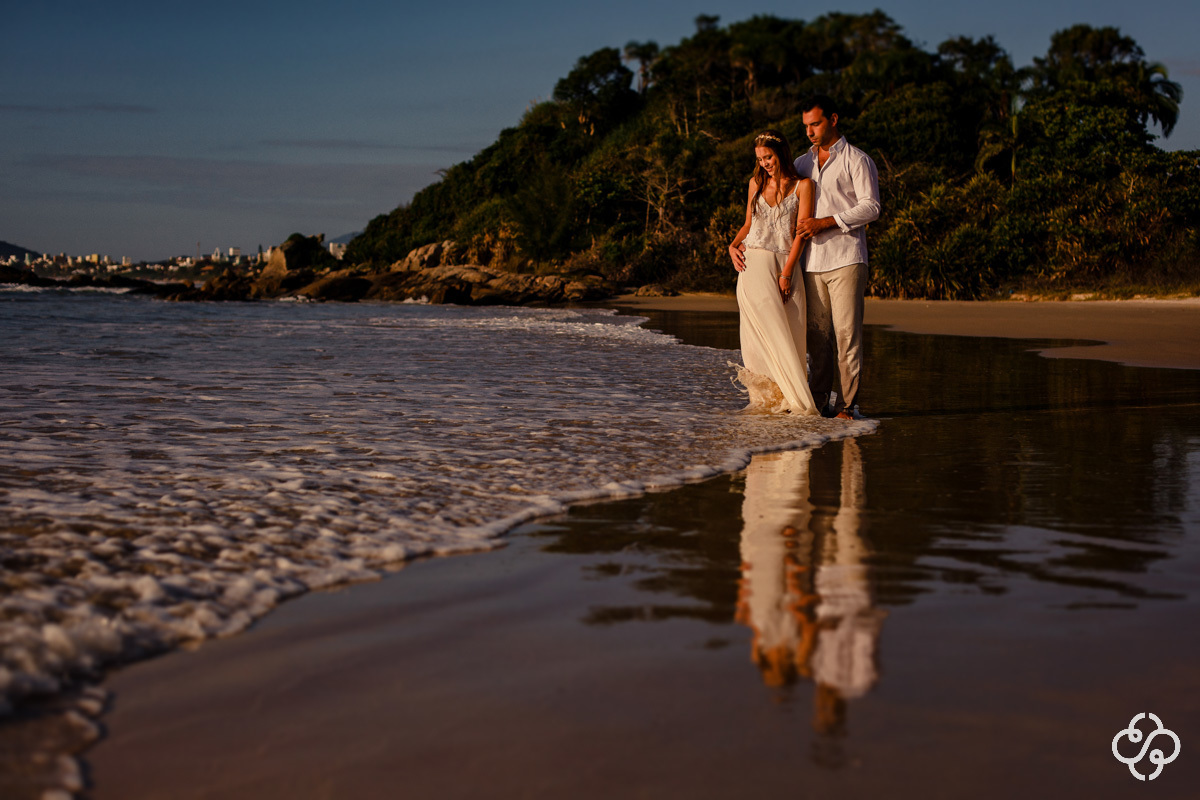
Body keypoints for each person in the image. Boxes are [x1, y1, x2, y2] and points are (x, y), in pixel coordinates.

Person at [792, 95, 880, 420]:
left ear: (833, 119)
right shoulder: (802, 163)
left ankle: (846, 406)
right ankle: (817, 404)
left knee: (847, 335)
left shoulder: (856, 159)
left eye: (815, 124)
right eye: (806, 126)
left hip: (847, 258)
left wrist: (825, 222)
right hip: (811, 263)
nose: (810, 132)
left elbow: (872, 207)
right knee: (817, 339)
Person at [728, 130, 819, 416]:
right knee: (757, 340)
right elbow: (748, 225)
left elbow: (801, 234)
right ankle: (766, 404)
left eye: (768, 156)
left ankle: (795, 401)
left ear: (781, 153)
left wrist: (787, 273)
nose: (764, 163)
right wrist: (731, 245)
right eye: (760, 158)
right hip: (752, 268)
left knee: (788, 333)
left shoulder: (804, 185)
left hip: (784, 265)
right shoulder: (755, 183)